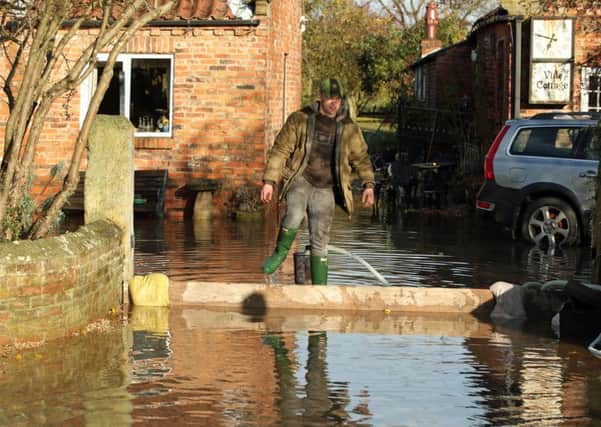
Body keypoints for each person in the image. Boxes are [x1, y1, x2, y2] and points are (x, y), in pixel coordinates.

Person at [260, 78, 375, 285]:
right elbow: (280, 150)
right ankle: (279, 253)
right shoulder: (300, 119)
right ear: (320, 96)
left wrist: (368, 185)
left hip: (327, 186)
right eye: (330, 98)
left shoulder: (349, 128)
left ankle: (320, 288)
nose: (334, 103)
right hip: (301, 178)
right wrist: (269, 181)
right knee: (294, 214)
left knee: (320, 238)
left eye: (338, 99)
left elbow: (362, 158)